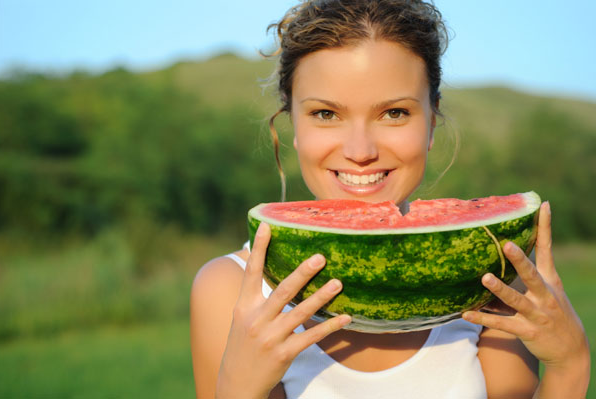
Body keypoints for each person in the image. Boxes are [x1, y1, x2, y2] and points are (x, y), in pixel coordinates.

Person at [190, 1, 590, 397]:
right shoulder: (229, 290)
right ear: (292, 123)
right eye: (326, 114)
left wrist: (569, 366)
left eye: (394, 113)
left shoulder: (493, 271)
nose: (360, 150)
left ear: (431, 122)